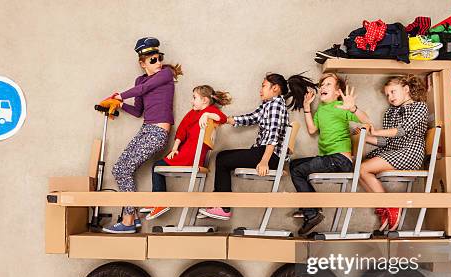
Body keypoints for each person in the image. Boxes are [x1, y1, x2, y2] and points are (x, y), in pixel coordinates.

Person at [199, 73, 317, 220]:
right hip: (264, 152)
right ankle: (220, 204)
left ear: (275, 88)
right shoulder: (269, 104)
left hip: (269, 155)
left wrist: (264, 161)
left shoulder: (275, 106)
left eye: (263, 86)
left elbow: (273, 136)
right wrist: (225, 119)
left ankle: (222, 207)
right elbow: (251, 118)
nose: (260, 89)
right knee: (222, 156)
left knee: (222, 160)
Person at [101, 37, 182, 234]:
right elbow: (138, 111)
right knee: (120, 169)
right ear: (142, 63)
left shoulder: (165, 74)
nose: (158, 63)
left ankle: (128, 220)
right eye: (152, 60)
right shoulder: (140, 80)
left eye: (159, 57)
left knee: (123, 169)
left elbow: (144, 89)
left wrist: (120, 95)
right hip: (145, 130)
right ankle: (134, 218)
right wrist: (121, 104)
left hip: (157, 133)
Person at [292, 73, 371, 236]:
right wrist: (307, 108)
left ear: (337, 92)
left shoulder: (340, 106)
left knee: (297, 172)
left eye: (328, 84)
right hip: (328, 158)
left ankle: (312, 212)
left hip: (340, 160)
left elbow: (366, 121)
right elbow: (313, 130)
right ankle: (312, 207)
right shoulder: (321, 109)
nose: (322, 87)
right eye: (322, 85)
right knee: (294, 164)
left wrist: (353, 108)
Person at [143, 85, 231, 220]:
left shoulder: (211, 111)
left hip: (191, 156)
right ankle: (158, 199)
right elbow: (182, 130)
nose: (192, 101)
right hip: (187, 153)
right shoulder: (192, 113)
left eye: (194, 98)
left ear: (205, 100)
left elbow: (223, 118)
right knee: (158, 165)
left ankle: (160, 201)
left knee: (157, 166)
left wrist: (207, 114)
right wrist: (175, 148)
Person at [359, 74, 429, 231]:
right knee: (359, 168)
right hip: (394, 150)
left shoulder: (419, 107)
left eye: (393, 92)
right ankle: (383, 208)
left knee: (363, 168)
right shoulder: (390, 113)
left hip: (410, 151)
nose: (390, 97)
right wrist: (364, 137)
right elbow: (387, 142)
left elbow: (401, 131)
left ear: (406, 89)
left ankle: (390, 206)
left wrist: (376, 132)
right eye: (387, 94)